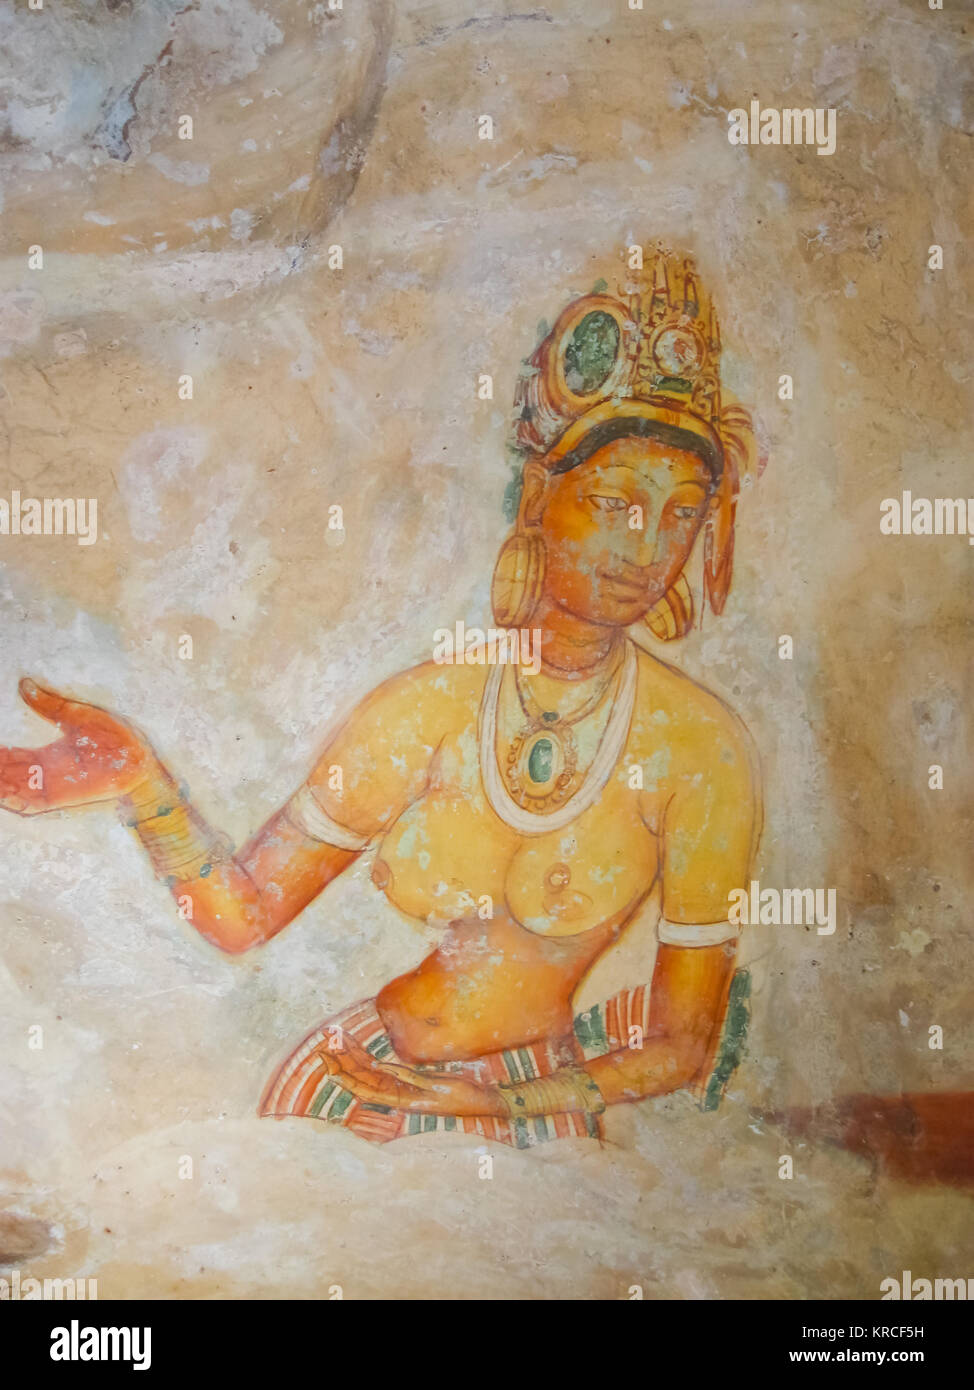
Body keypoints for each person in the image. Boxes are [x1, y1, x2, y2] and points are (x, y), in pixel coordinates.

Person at [0, 248, 764, 1149]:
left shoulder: (701, 748)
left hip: (529, 1115)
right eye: (611, 502)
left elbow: (683, 1045)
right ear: (538, 500)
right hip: (344, 1086)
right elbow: (243, 918)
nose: (646, 547)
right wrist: (142, 788)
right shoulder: (427, 709)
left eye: (679, 513)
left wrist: (478, 1108)